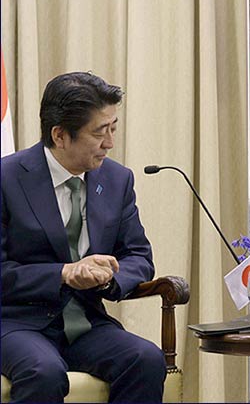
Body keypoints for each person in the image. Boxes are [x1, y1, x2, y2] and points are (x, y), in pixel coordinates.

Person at [1, 72, 166, 402]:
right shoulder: (7, 179)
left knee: (145, 359)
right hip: (17, 323)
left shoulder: (117, 180)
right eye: (99, 132)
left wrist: (106, 278)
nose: (110, 143)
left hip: (86, 324)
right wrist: (63, 274)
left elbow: (139, 256)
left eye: (113, 128)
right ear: (60, 135)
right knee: (43, 372)